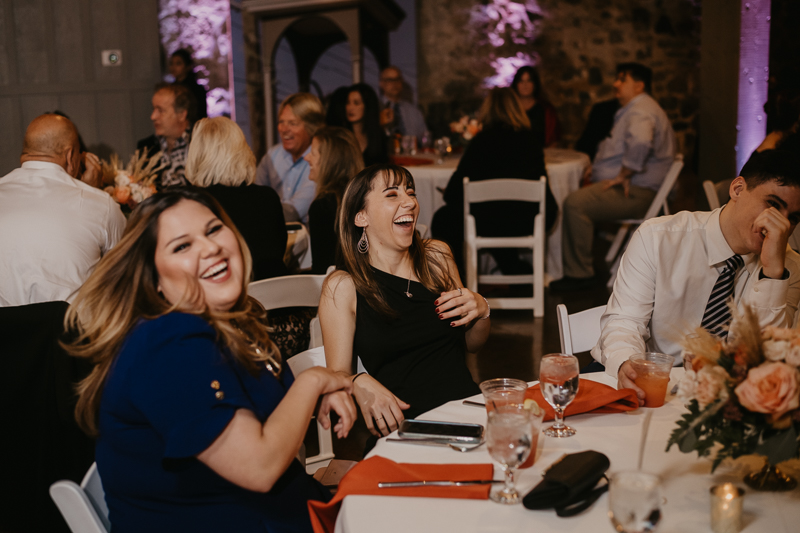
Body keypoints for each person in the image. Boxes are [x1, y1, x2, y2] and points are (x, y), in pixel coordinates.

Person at [64, 188, 356, 532]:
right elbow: (259, 467)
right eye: (182, 246)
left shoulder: (229, 322)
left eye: (214, 229)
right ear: (152, 279)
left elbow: (271, 422)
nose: (211, 247)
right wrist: (315, 380)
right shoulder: (168, 344)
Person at [592, 150, 800, 405]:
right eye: (773, 205)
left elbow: (767, 362)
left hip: (725, 401)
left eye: (793, 218)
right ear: (737, 189)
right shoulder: (658, 238)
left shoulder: (787, 268)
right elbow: (625, 322)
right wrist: (628, 365)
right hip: (654, 387)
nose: (781, 225)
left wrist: (772, 275)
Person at [318, 164, 490, 437]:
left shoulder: (437, 258)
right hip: (406, 431)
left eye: (410, 192)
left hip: (469, 417)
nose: (410, 202)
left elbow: (471, 344)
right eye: (392, 195)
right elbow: (337, 375)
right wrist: (359, 380)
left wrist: (481, 310)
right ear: (361, 216)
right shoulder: (343, 286)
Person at [551, 62, 676, 292]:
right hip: (638, 188)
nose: (615, 84)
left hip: (640, 193)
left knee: (574, 203)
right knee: (575, 200)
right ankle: (578, 269)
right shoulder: (638, 108)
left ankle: (580, 275)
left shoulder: (641, 110)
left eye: (622, 79)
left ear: (639, 86)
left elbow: (640, 142)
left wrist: (625, 173)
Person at [0, 114, 125, 306]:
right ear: (70, 156)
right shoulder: (99, 203)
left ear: (25, 154)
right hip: (71, 332)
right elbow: (124, 271)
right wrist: (93, 192)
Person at [431, 87, 558, 277]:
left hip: (490, 221)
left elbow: (453, 194)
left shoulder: (481, 142)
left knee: (445, 219)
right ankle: (513, 268)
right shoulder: (530, 141)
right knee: (498, 214)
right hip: (527, 219)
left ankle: (458, 284)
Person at [185, 117, 288, 281]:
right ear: (242, 151)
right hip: (278, 297)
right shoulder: (268, 197)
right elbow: (277, 252)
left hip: (227, 298)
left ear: (197, 154)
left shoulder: (193, 204)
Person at [255, 93, 325, 224]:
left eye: (293, 123)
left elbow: (292, 212)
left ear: (312, 127)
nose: (284, 129)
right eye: (281, 122)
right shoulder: (273, 155)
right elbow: (253, 195)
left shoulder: (320, 159)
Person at [304, 126, 364, 274]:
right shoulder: (365, 196)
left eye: (312, 153)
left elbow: (323, 270)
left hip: (342, 290)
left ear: (328, 161)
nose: (306, 158)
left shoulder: (323, 207)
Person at [137, 83, 195, 189]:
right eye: (153, 109)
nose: (153, 116)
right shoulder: (146, 147)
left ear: (182, 114)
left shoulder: (199, 144)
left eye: (160, 110)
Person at [510, 65, 560, 147]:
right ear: (516, 84)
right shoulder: (510, 108)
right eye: (521, 81)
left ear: (535, 84)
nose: (525, 85)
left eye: (529, 81)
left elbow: (553, 139)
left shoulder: (546, 109)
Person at [344, 83, 389, 167]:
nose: (350, 107)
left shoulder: (377, 136)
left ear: (367, 106)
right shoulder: (341, 136)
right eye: (348, 102)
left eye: (356, 103)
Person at [378, 66, 427, 140]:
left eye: (397, 79)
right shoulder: (376, 108)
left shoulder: (413, 111)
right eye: (390, 80)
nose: (394, 83)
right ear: (381, 83)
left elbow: (425, 137)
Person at [169, 48, 208, 121]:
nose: (173, 67)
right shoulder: (169, 89)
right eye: (171, 63)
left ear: (188, 66)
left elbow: (201, 115)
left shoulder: (197, 90)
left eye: (178, 63)